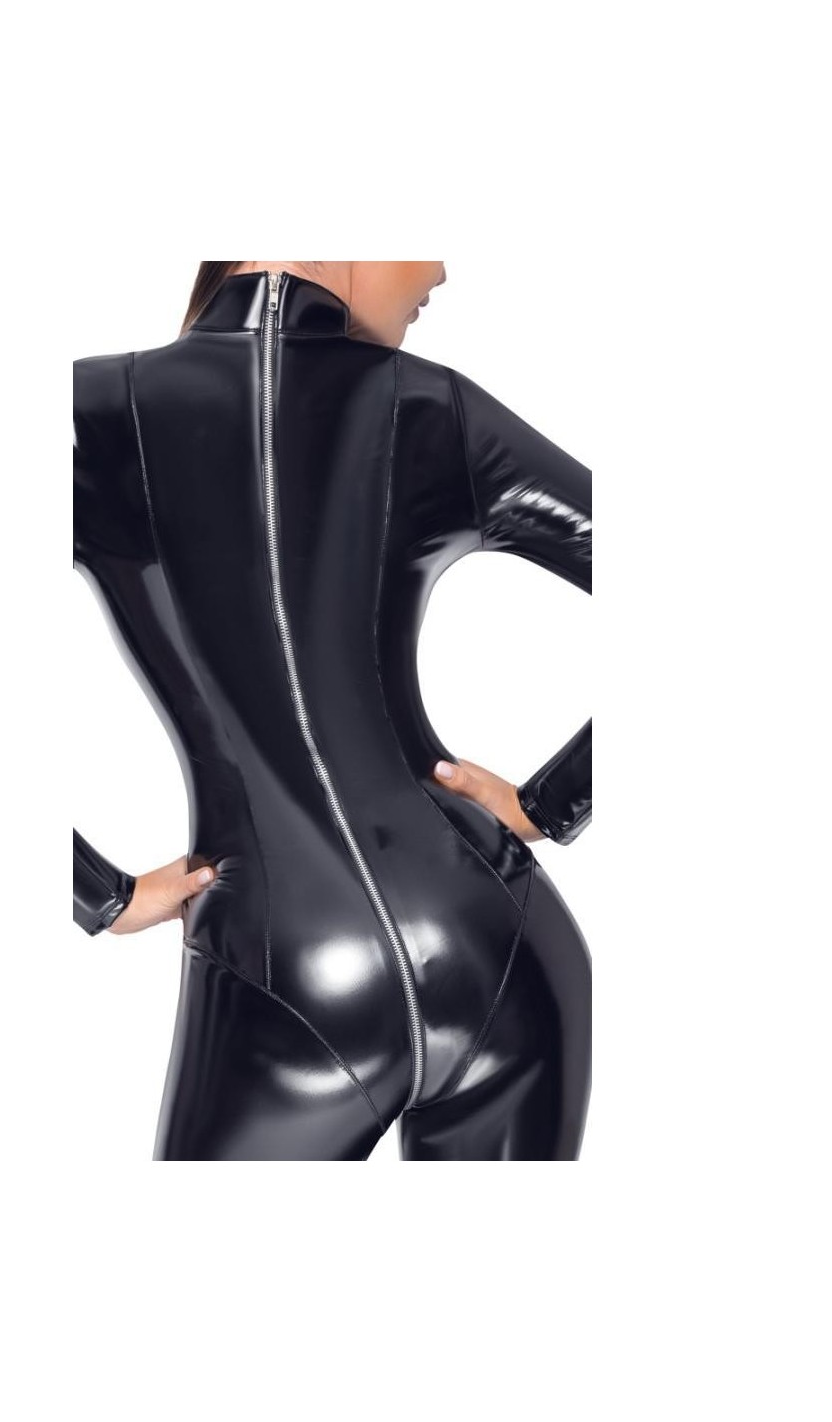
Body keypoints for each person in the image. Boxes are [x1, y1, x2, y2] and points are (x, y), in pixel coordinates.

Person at [73, 261, 592, 1160]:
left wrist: (97, 895)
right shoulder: (433, 406)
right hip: (500, 947)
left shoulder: (90, 411)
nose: (440, 267)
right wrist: (552, 806)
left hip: (285, 972)